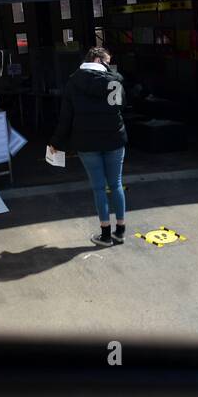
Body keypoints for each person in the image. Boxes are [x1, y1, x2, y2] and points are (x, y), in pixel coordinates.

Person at [50, 46, 127, 247]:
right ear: (98, 59)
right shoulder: (113, 81)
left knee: (99, 188)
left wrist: (56, 142)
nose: (110, 65)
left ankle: (105, 235)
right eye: (107, 61)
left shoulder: (73, 82)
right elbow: (121, 106)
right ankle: (120, 231)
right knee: (116, 184)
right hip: (114, 140)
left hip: (86, 143)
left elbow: (66, 117)